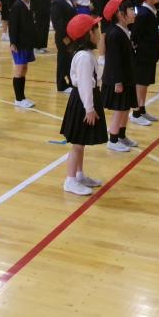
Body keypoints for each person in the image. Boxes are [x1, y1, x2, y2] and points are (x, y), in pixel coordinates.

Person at [60, 14, 106, 195]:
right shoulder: (84, 57)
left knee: (82, 141)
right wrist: (89, 108)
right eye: (96, 29)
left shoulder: (86, 54)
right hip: (82, 102)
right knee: (78, 144)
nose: (99, 33)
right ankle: (70, 180)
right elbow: (85, 84)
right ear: (89, 34)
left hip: (85, 99)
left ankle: (79, 175)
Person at [101, 0, 138, 152]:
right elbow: (114, 60)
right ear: (120, 14)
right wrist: (117, 81)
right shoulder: (114, 33)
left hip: (127, 76)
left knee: (126, 107)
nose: (134, 12)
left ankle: (122, 135)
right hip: (118, 79)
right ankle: (113, 139)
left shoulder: (124, 30)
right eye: (131, 10)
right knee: (119, 109)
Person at [130, 0, 159, 126]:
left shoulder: (151, 11)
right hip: (143, 55)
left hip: (150, 54)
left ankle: (142, 109)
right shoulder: (143, 14)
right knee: (141, 83)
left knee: (145, 83)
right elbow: (135, 36)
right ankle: (136, 113)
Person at [9, 0, 38, 109]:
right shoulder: (17, 6)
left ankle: (22, 97)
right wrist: (13, 42)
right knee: (19, 70)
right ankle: (18, 98)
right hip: (19, 43)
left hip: (27, 42)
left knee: (24, 69)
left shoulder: (30, 3)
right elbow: (13, 26)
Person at [50, 0, 76, 93]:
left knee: (69, 60)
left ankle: (71, 82)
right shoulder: (57, 2)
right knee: (63, 60)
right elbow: (58, 23)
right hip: (64, 38)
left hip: (72, 36)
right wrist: (64, 37)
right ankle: (61, 85)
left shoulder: (68, 0)